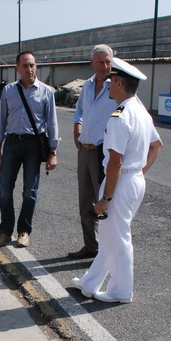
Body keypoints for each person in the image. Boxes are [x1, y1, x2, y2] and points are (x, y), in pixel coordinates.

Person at [72, 57, 162, 304]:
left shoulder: (119, 117)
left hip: (121, 183)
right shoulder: (140, 111)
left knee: (119, 237)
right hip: (133, 180)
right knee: (110, 235)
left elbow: (115, 162)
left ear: (120, 84)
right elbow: (157, 145)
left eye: (111, 81)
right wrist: (138, 173)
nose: (108, 85)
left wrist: (106, 198)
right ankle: (90, 282)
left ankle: (121, 291)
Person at [0, 51, 59, 248]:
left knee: (30, 192)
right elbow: (0, 121)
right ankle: (5, 232)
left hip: (33, 146)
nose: (29, 69)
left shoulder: (46, 92)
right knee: (5, 190)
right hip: (12, 144)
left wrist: (53, 153)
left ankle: (24, 231)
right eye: (25, 66)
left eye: (32, 65)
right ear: (17, 68)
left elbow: (52, 123)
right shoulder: (9, 91)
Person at [68, 44, 118, 260]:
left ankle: (108, 252)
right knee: (86, 201)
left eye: (108, 62)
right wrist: (77, 127)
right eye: (101, 62)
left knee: (105, 202)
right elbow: (79, 110)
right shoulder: (88, 86)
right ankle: (91, 246)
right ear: (92, 63)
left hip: (103, 151)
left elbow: (125, 111)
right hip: (85, 150)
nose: (105, 66)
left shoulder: (116, 85)